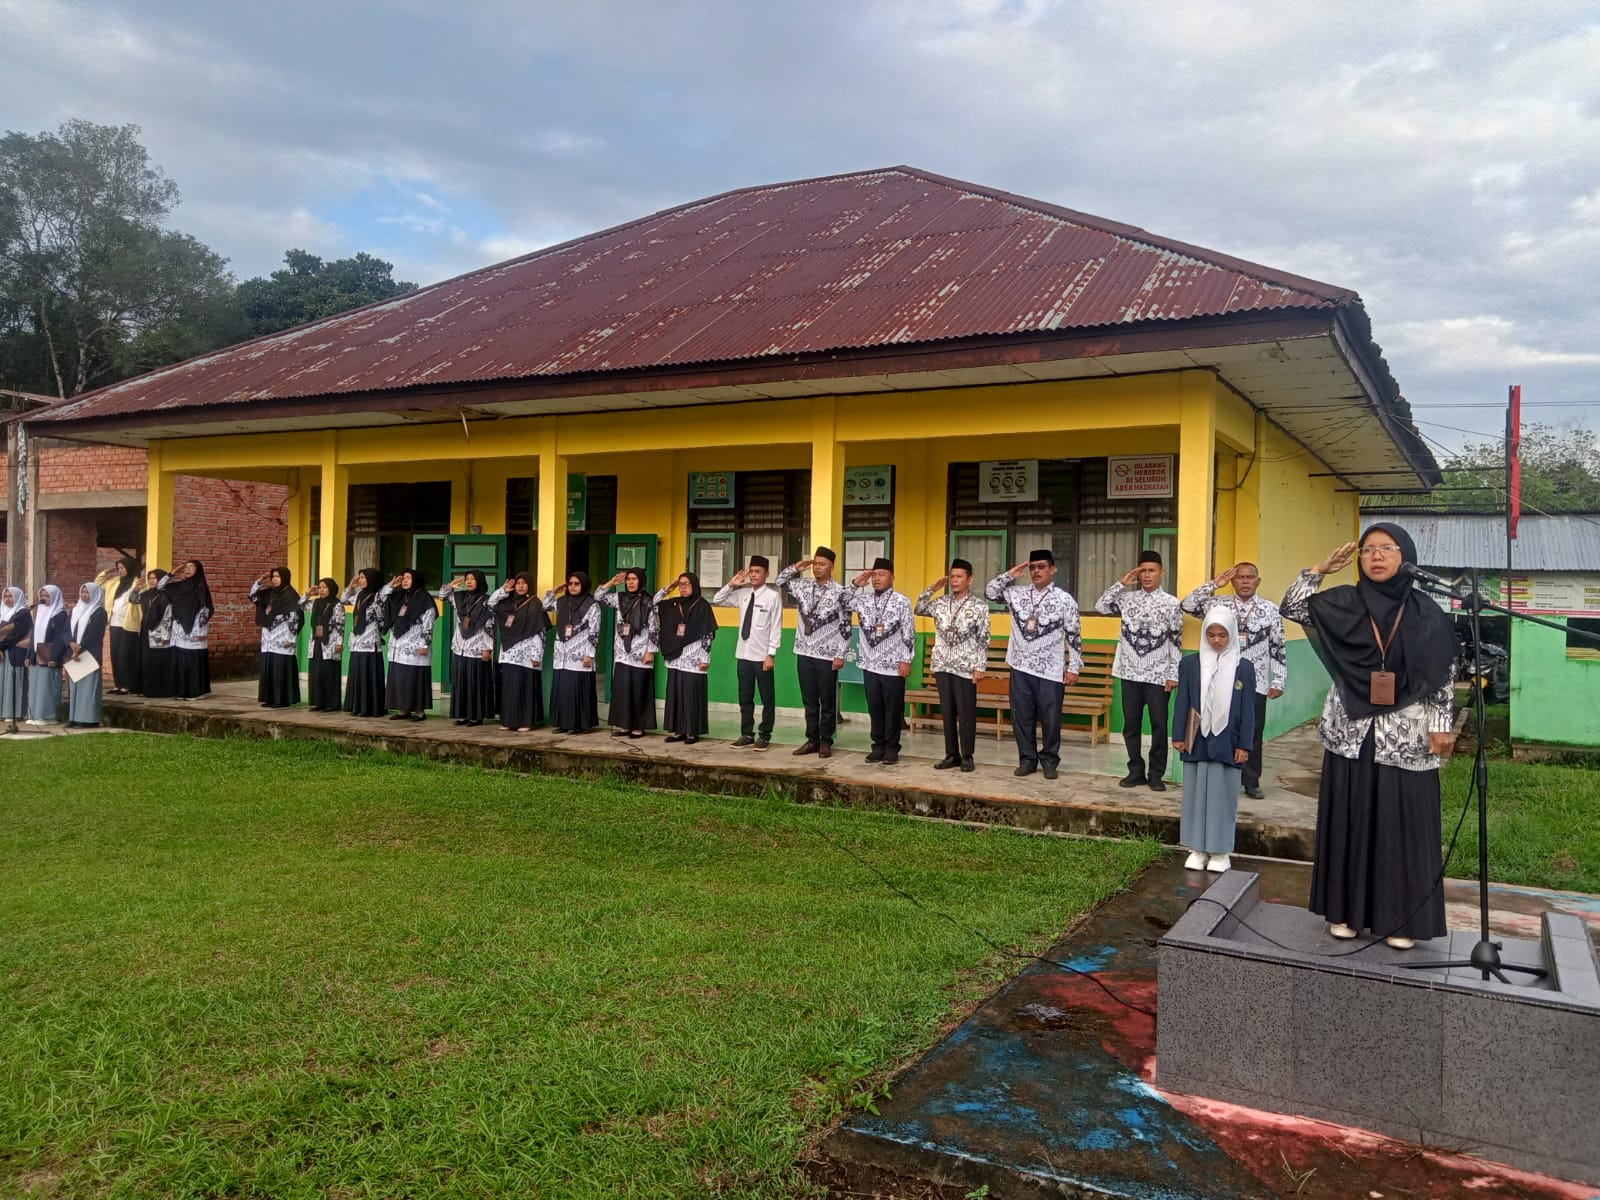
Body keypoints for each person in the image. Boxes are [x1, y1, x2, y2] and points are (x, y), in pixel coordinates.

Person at [1283, 525, 1456, 950]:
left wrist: (1441, 722)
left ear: (1405, 556)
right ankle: (1344, 913)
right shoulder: (1343, 603)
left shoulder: (1426, 612)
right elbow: (1292, 607)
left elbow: (1442, 670)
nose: (1376, 557)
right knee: (1351, 822)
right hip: (1351, 734)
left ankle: (1401, 920)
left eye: (1387, 549)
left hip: (1407, 736)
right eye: (1368, 550)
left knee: (1402, 829)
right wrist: (1318, 570)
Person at [1182, 562, 1287, 799]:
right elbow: (1187, 605)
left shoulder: (1270, 610)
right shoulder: (1219, 605)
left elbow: (1278, 645)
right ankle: (1223, 774)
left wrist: (1278, 680)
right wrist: (1213, 584)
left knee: (1251, 730)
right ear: (1233, 581)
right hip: (1219, 678)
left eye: (1250, 577)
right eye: (1240, 577)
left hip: (1256, 680)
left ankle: (1251, 781)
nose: (1245, 581)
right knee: (1219, 726)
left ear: (1258, 581)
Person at [985, 550, 1084, 780]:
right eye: (1033, 568)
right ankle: (1027, 759)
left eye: (1041, 566)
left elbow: (1075, 635)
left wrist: (1074, 667)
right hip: (1020, 666)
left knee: (1050, 718)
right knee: (1022, 716)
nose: (1036, 571)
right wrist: (1010, 574)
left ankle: (1049, 760)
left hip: (1050, 669)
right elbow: (990, 592)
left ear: (1053, 569)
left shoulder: (1064, 599)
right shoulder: (1016, 594)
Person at [1171, 607, 1256, 873]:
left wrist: (1245, 744)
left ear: (1231, 635)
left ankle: (1219, 851)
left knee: (1222, 795)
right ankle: (1196, 848)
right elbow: (1182, 700)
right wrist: (1178, 735)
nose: (1217, 640)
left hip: (1227, 741)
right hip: (1197, 738)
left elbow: (1248, 710)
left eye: (1222, 635)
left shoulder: (1244, 668)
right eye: (1211, 634)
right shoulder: (1190, 664)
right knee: (1196, 795)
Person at [1097, 550, 1183, 792]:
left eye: (1152, 570)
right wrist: (1121, 584)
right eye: (1142, 570)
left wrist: (1173, 673)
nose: (1147, 575)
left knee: (1158, 725)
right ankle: (1135, 771)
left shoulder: (1171, 603)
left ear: (1162, 573)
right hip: (1129, 672)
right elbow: (1101, 606)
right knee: (1131, 725)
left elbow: (1176, 640)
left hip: (1157, 676)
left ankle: (1156, 774)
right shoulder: (1127, 599)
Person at [916, 559, 993, 773]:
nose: (955, 580)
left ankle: (967, 755)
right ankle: (952, 754)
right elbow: (919, 608)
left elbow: (983, 639)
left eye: (959, 577)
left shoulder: (979, 607)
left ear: (970, 579)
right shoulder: (940, 603)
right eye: (952, 576)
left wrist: (980, 667)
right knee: (947, 712)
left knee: (966, 712)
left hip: (966, 666)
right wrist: (932, 588)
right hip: (942, 664)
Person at [776, 547, 851, 758]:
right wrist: (796, 568)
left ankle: (826, 741)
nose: (818, 568)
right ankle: (812, 739)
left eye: (822, 564)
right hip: (804, 651)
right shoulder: (802, 585)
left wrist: (840, 654)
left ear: (832, 567)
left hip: (827, 655)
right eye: (815, 564)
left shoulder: (840, 592)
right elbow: (779, 581)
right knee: (809, 700)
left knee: (827, 700)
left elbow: (846, 625)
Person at [843, 557, 915, 765]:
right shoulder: (863, 600)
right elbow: (843, 601)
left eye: (881, 575)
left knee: (892, 708)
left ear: (892, 577)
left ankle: (892, 748)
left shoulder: (902, 601)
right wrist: (857, 583)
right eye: (874, 575)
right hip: (870, 664)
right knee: (875, 707)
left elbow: (909, 632)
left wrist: (906, 659)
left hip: (893, 665)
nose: (876, 579)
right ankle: (877, 746)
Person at [713, 555, 784, 750]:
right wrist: (731, 584)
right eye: (751, 571)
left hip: (762, 657)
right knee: (745, 697)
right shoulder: (742, 594)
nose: (753, 575)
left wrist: (771, 654)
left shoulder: (772, 597)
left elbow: (776, 627)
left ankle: (765, 735)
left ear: (766, 574)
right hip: (743, 655)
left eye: (757, 572)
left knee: (767, 698)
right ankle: (746, 734)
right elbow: (718, 599)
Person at [655, 572, 717, 744]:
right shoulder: (674, 604)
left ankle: (691, 731)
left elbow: (708, 634)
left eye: (686, 584)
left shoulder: (702, 605)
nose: (683, 587)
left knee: (691, 695)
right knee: (675, 694)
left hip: (695, 657)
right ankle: (677, 730)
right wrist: (669, 588)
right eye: (681, 584)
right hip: (676, 656)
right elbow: (652, 604)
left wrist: (706, 659)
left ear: (694, 585)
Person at [596, 568, 658, 738]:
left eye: (634, 579)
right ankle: (624, 725)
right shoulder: (619, 598)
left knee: (639, 690)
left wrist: (651, 651)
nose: (630, 582)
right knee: (623, 689)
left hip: (641, 652)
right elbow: (598, 597)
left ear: (641, 581)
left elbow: (654, 628)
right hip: (623, 651)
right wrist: (612, 583)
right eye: (628, 579)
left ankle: (639, 726)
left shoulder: (648, 601)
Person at [491, 572, 549, 731]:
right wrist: (504, 589)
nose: (521, 586)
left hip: (527, 654)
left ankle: (526, 722)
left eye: (524, 583)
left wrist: (537, 655)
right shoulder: (507, 604)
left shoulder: (535, 604)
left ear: (529, 585)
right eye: (518, 583)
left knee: (525, 687)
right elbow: (490, 603)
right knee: (509, 688)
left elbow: (540, 631)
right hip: (509, 653)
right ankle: (509, 721)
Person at [544, 570, 601, 734]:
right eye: (570, 584)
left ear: (583, 585)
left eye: (577, 584)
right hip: (562, 653)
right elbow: (545, 605)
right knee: (562, 689)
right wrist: (555, 590)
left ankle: (578, 724)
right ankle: (563, 723)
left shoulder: (592, 604)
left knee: (577, 689)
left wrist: (590, 654)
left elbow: (594, 631)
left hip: (580, 653)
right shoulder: (562, 601)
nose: (573, 587)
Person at [441, 570, 497, 727]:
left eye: (473, 579)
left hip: (477, 646)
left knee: (476, 682)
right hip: (460, 646)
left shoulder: (486, 601)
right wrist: (450, 586)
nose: (469, 582)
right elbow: (443, 596)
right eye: (467, 579)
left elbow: (489, 624)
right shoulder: (460, 597)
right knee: (461, 682)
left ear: (480, 581)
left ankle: (476, 716)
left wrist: (488, 648)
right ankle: (462, 715)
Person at [383, 567, 436, 721]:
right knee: (400, 679)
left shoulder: (423, 597)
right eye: (403, 578)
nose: (405, 581)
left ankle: (419, 712)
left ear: (416, 580)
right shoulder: (400, 597)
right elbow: (381, 600)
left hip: (415, 646)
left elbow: (429, 620)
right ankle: (403, 710)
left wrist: (425, 643)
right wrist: (390, 587)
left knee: (415, 678)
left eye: (408, 578)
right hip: (398, 647)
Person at [249, 566, 303, 709]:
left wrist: (291, 639)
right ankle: (270, 698)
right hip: (269, 635)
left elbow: (295, 617)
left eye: (278, 577)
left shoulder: (290, 594)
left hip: (283, 635)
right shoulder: (270, 593)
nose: (275, 579)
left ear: (285, 578)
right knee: (269, 666)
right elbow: (253, 596)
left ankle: (282, 699)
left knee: (280, 666)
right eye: (273, 577)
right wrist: (260, 581)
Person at [162, 559, 213, 699]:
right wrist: (172, 574)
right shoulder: (178, 586)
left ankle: (196, 691)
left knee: (192, 660)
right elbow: (160, 586)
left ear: (198, 570)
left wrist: (200, 631)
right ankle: (181, 691)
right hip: (179, 627)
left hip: (194, 627)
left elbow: (205, 609)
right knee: (180, 659)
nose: (187, 569)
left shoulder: (200, 586)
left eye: (192, 567)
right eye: (186, 567)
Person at [96, 556, 144, 695]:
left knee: (125, 654)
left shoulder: (137, 582)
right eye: (119, 568)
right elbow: (98, 583)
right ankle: (118, 684)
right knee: (115, 653)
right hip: (114, 623)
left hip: (129, 623)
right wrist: (106, 572)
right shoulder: (114, 582)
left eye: (123, 568)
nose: (121, 571)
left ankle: (127, 685)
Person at [343, 569, 387, 717]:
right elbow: (343, 599)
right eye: (359, 578)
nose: (360, 580)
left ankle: (370, 708)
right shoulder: (358, 596)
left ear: (371, 579)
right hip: (357, 640)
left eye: (363, 578)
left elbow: (381, 619)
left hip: (370, 640)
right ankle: (357, 706)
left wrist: (379, 634)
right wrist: (351, 587)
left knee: (368, 674)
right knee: (357, 674)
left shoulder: (376, 597)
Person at [66, 581, 110, 728]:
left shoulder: (99, 612)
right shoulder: (75, 610)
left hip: (89, 653)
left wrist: (80, 647)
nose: (84, 595)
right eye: (82, 592)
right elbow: (67, 630)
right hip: (74, 652)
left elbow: (94, 634)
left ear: (95, 594)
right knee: (75, 686)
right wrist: (71, 644)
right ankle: (74, 718)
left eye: (87, 593)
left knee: (88, 687)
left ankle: (88, 719)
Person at [27, 584, 68, 725]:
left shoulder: (60, 614)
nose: (44, 599)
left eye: (47, 596)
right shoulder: (40, 612)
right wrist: (28, 655)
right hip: (36, 654)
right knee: (36, 685)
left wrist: (54, 657)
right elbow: (33, 636)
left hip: (49, 655)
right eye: (42, 596)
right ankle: (35, 715)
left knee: (47, 686)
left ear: (55, 597)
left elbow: (59, 638)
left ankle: (48, 716)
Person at [304, 577, 346, 712]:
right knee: (317, 672)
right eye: (320, 587)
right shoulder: (315, 603)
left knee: (329, 672)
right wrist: (308, 594)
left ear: (331, 589)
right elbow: (299, 605)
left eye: (324, 587)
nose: (321, 590)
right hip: (316, 641)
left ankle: (331, 704)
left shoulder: (337, 604)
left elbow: (340, 625)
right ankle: (318, 702)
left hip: (331, 642)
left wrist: (340, 643)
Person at [1, 584, 34, 734]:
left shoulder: (23, 613)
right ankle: (3, 711)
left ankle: (15, 712)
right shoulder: (2, 612)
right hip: (3, 652)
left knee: (15, 681)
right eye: (5, 596)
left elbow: (18, 635)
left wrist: (0, 646)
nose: (8, 599)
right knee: (2, 681)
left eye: (11, 596)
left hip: (15, 651)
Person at [140, 569, 175, 700]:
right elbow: (133, 599)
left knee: (160, 662)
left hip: (159, 632)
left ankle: (163, 690)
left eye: (154, 578)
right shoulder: (146, 594)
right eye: (150, 578)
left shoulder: (165, 594)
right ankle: (150, 690)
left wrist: (164, 634)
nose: (151, 581)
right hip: (146, 630)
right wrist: (136, 588)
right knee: (148, 662)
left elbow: (167, 615)